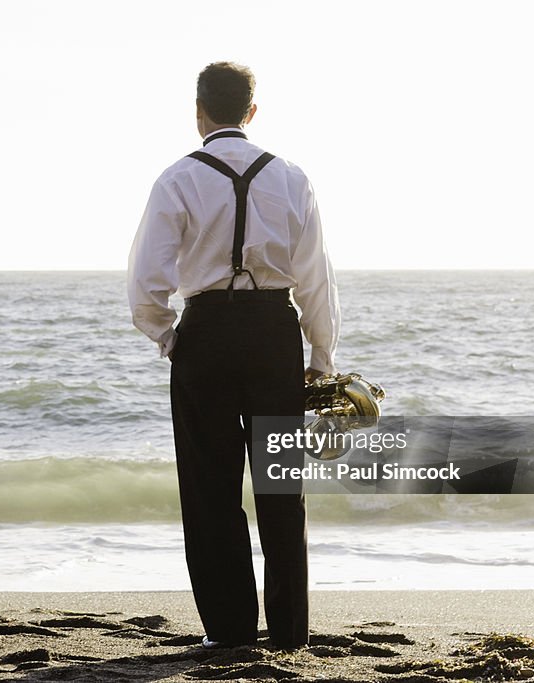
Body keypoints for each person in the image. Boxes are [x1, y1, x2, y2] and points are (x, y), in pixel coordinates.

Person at [127, 61, 340, 650]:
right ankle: (290, 631)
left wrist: (169, 337)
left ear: (199, 112)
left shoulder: (176, 178)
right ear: (252, 111)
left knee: (210, 489)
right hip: (275, 332)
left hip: (207, 335)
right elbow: (315, 279)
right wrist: (320, 356)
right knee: (281, 489)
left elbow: (147, 282)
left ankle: (229, 631)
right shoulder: (292, 177)